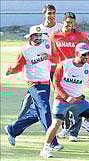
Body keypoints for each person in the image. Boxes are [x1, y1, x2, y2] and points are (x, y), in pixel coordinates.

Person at [4, 4, 63, 150]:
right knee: (45, 109)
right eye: (35, 36)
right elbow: (19, 67)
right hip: (34, 84)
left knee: (38, 112)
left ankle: (13, 129)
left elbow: (56, 60)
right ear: (29, 37)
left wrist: (49, 53)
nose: (38, 38)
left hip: (45, 83)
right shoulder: (25, 51)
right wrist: (11, 70)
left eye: (39, 36)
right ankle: (53, 142)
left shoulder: (47, 45)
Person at [39, 42, 89, 159]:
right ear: (76, 54)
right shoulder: (64, 65)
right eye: (83, 54)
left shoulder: (88, 68)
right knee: (56, 124)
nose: (86, 57)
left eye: (87, 54)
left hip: (79, 101)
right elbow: (56, 83)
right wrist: (66, 97)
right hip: (61, 100)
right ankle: (45, 149)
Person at [49, 11, 89, 142]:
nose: (70, 25)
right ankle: (65, 127)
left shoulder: (80, 36)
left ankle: (74, 132)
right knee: (62, 100)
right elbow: (53, 53)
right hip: (60, 72)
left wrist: (83, 64)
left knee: (76, 99)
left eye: (72, 23)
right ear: (63, 21)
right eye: (68, 22)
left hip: (76, 71)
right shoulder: (55, 35)